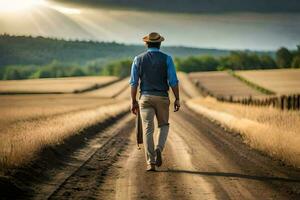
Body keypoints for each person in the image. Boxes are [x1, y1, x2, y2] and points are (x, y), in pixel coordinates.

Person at [129, 32, 180, 171]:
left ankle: (150, 163)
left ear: (146, 44)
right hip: (162, 97)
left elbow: (134, 83)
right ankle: (159, 148)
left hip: (145, 98)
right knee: (164, 125)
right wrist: (177, 98)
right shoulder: (167, 59)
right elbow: (173, 81)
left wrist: (133, 101)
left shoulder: (137, 59)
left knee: (147, 129)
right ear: (160, 44)